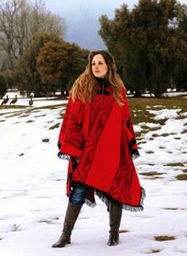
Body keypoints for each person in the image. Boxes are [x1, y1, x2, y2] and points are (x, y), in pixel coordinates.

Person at [52, 50, 145, 248]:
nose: (96, 66)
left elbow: (124, 121)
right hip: (87, 152)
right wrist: (75, 149)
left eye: (100, 63)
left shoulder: (118, 91)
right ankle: (65, 234)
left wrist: (127, 145)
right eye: (93, 63)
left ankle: (114, 234)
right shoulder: (81, 87)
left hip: (111, 151)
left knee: (115, 191)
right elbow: (72, 119)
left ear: (108, 66)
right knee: (78, 191)